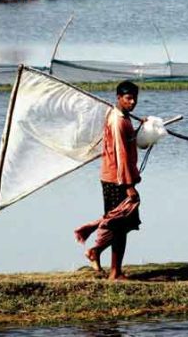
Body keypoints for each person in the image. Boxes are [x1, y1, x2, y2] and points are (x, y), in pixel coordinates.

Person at [74, 80, 142, 280]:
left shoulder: (123, 117)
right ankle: (115, 272)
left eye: (134, 98)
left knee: (123, 223)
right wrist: (129, 186)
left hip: (117, 177)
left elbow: (127, 142)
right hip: (116, 179)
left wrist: (141, 128)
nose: (132, 102)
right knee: (119, 225)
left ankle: (97, 253)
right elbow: (121, 155)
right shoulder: (118, 121)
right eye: (128, 98)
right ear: (119, 98)